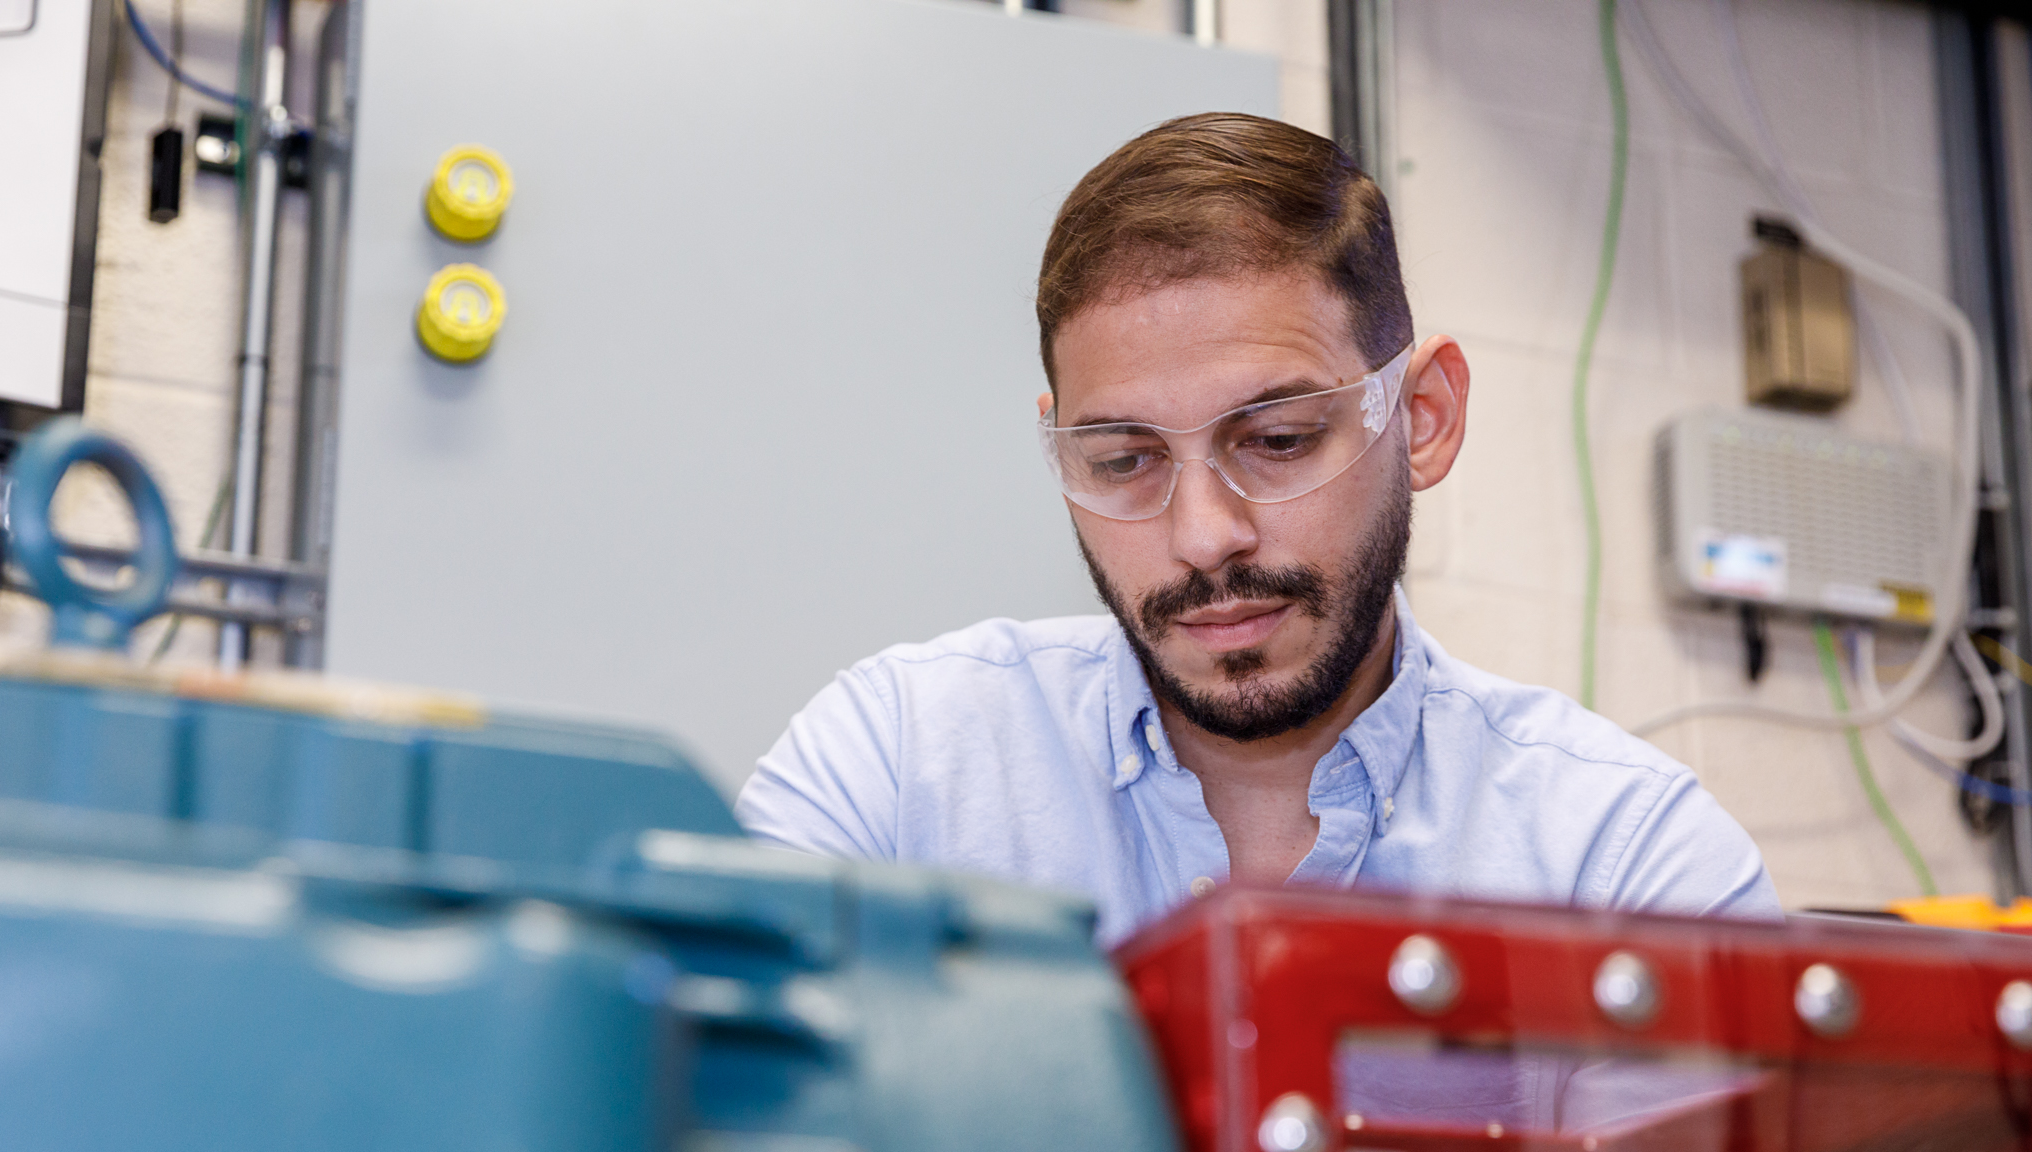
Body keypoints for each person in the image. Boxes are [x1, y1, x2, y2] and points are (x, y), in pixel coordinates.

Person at [737, 112, 1777, 947]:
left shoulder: (1622, 865)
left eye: (1276, 440)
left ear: (1422, 418)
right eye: (1124, 461)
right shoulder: (898, 771)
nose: (1203, 535)